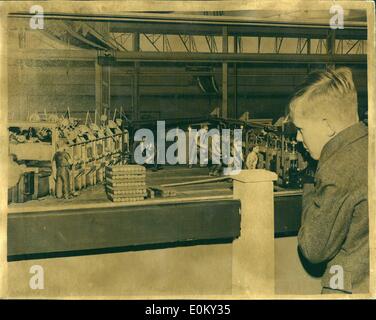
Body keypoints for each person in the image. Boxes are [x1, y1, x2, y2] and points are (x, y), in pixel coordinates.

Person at [288, 67, 368, 294]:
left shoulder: (337, 168)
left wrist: (309, 184)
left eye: (301, 129)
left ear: (327, 126)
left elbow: (313, 249)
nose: (297, 137)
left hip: (349, 288)